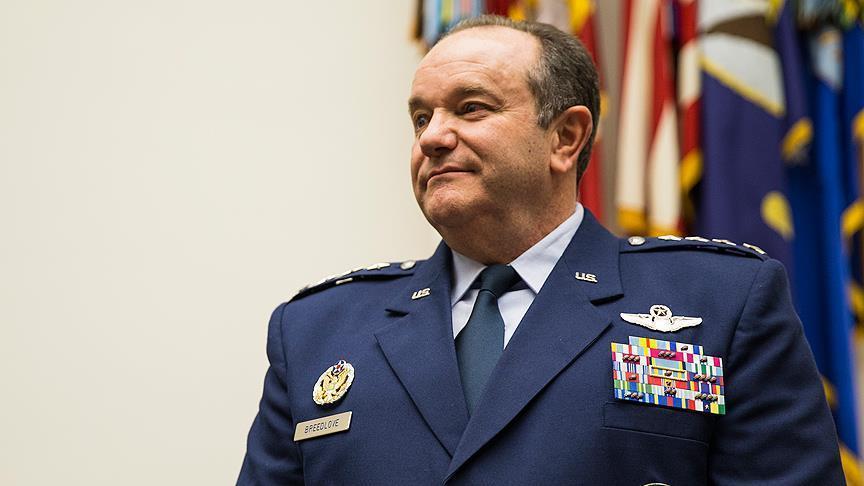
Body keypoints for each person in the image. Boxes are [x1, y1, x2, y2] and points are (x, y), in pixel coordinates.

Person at [238, 15, 844, 485]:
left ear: (566, 137)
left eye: (471, 108)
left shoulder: (722, 304)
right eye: (421, 118)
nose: (433, 137)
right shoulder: (317, 332)